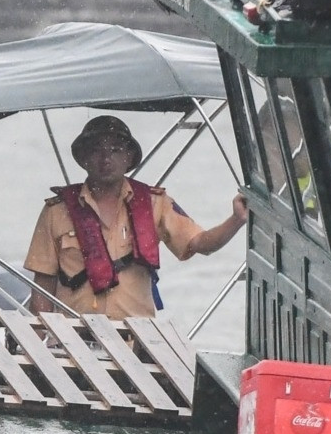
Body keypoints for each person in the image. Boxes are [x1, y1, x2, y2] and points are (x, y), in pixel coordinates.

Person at [25, 116, 247, 320]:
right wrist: (41, 340)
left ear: (128, 157)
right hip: (74, 339)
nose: (106, 159)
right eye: (96, 150)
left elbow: (201, 243)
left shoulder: (155, 204)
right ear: (83, 157)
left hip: (136, 342)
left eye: (115, 150)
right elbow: (43, 286)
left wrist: (236, 219)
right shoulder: (56, 211)